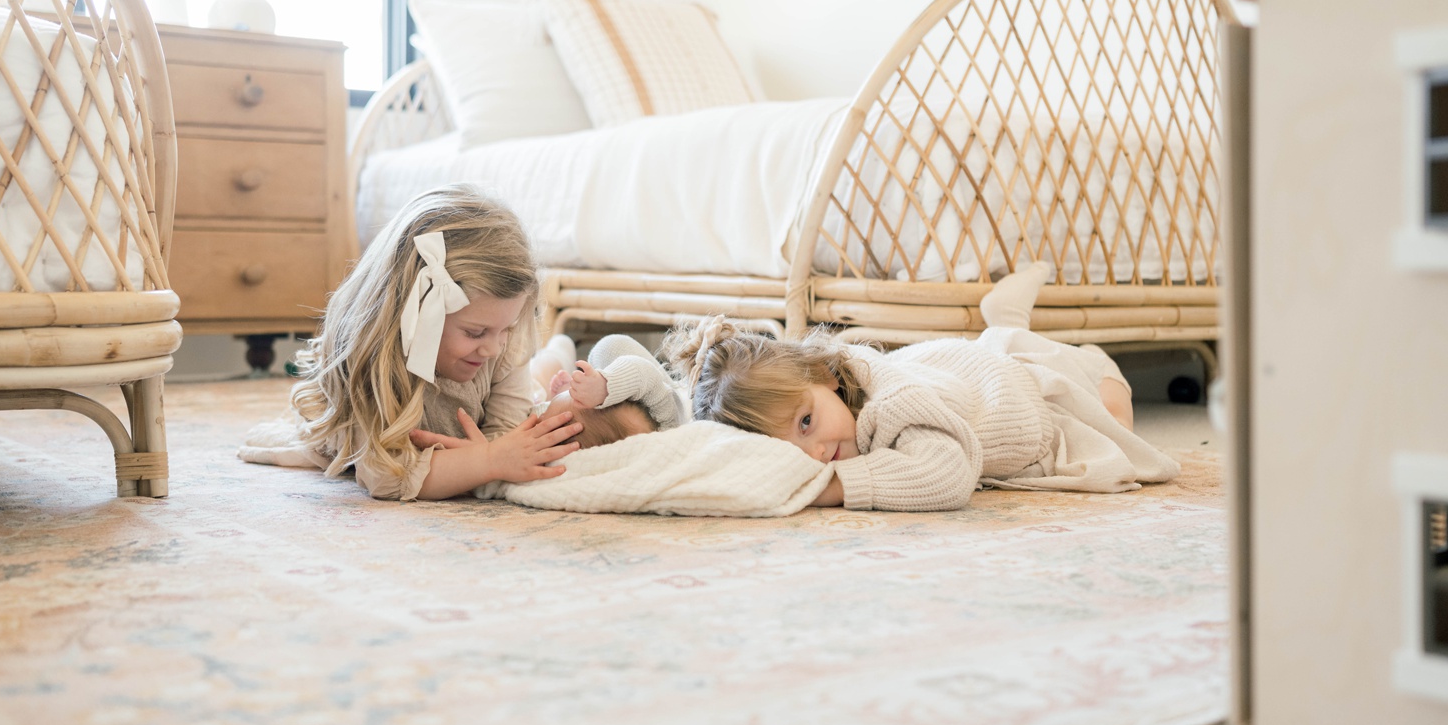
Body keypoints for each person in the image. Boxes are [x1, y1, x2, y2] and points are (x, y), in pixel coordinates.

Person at [662, 262, 1180, 511]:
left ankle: (1011, 324)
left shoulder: (891, 404)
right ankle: (1005, 321)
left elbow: (946, 475)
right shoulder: (830, 401)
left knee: (1118, 418)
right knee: (999, 343)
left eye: (805, 423)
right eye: (791, 449)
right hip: (966, 372)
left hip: (1039, 395)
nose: (818, 454)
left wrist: (835, 489)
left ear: (823, 376)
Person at [286, 184, 583, 500]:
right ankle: (555, 354)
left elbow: (509, 435)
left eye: (506, 329)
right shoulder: (372, 359)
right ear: (412, 315)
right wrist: (488, 460)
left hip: (504, 401)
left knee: (542, 384)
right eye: (474, 332)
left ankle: (559, 351)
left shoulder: (500, 341)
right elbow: (387, 477)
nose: (494, 348)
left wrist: (488, 456)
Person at [420, 333, 685, 455]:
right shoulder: (667, 421)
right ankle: (563, 342)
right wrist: (605, 386)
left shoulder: (554, 452)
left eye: (547, 416)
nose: (541, 417)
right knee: (551, 360)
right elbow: (643, 372)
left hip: (531, 396)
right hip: (537, 390)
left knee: (543, 375)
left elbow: (500, 462)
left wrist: (484, 454)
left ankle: (560, 350)